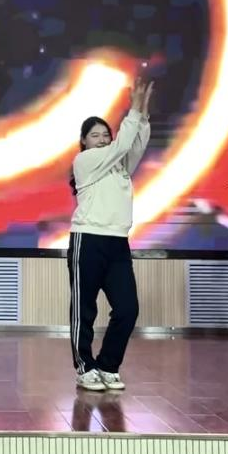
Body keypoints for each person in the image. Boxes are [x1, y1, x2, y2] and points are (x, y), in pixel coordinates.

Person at [67, 75, 152, 391]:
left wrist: (142, 112)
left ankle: (107, 365)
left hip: (117, 244)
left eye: (106, 135)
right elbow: (124, 144)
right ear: (84, 142)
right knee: (84, 310)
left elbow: (135, 143)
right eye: (95, 135)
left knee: (128, 309)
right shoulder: (85, 161)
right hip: (87, 241)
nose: (102, 140)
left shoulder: (119, 166)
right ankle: (84, 366)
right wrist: (134, 110)